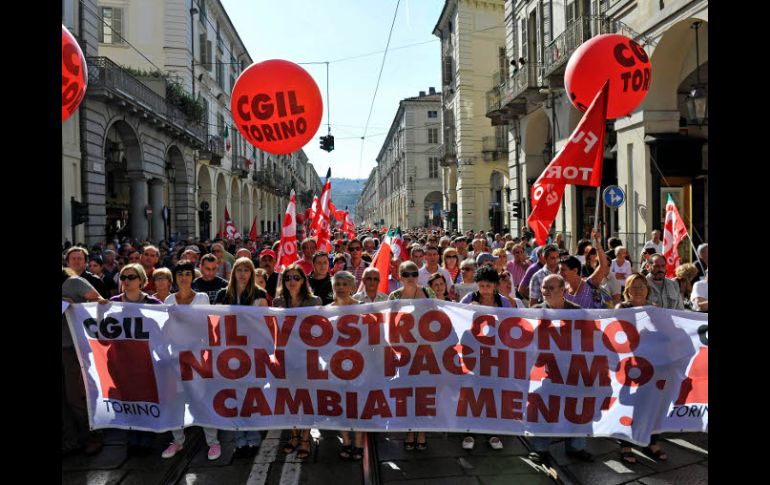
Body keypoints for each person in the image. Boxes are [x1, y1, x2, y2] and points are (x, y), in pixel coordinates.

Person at [529, 274, 592, 464]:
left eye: (550, 288)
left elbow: (589, 341)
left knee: (578, 408)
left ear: (563, 290)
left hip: (574, 370)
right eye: (544, 288)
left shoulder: (578, 312)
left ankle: (576, 446)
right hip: (547, 371)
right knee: (543, 408)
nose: (545, 292)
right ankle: (540, 449)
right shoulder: (535, 311)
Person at [161, 260, 220, 460]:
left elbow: (208, 325)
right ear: (175, 279)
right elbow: (165, 329)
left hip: (196, 356)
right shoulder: (169, 300)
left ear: (192, 277)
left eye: (187, 274)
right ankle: (178, 441)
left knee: (201, 398)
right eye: (180, 275)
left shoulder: (202, 298)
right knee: (175, 400)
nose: (184, 278)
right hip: (175, 357)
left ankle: (213, 442)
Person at [214, 257, 269, 457]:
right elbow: (215, 323)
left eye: (247, 270)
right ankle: (239, 441)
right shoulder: (222, 294)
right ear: (233, 272)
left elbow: (264, 326)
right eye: (239, 270)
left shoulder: (260, 294)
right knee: (234, 397)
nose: (243, 274)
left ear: (252, 272)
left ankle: (253, 439)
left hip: (253, 353)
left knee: (252, 396)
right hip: (229, 354)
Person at [110, 264, 163, 455]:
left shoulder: (154, 304)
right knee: (128, 398)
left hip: (147, 362)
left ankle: (147, 436)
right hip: (123, 362)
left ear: (141, 280)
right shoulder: (113, 303)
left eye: (131, 277)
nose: (126, 281)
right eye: (123, 277)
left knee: (147, 397)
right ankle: (132, 437)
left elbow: (164, 331)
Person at [615, 273, 668, 463]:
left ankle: (651, 442)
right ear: (627, 291)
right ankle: (626, 445)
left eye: (641, 286)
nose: (637, 290)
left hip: (651, 365)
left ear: (648, 289)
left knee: (651, 404)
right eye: (633, 286)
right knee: (627, 406)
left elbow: (664, 333)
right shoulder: (622, 308)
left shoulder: (654, 309)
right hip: (628, 364)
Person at [457, 266, 511, 451]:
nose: (485, 289)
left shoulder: (504, 302)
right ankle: (469, 431)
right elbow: (458, 320)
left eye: (488, 285)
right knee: (471, 392)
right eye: (481, 285)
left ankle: (492, 432)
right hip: (472, 353)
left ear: (495, 285)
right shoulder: (468, 299)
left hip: (496, 354)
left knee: (493, 393)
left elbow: (512, 325)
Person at [274, 264, 322, 460]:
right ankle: (293, 434)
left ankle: (305, 437)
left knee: (306, 398)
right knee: (289, 399)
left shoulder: (314, 300)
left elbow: (320, 330)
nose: (291, 281)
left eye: (296, 278)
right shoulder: (277, 302)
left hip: (307, 356)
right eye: (288, 278)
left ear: (303, 281)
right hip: (285, 357)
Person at [62, 267, 109, 456]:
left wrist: (73, 306)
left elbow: (99, 302)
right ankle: (71, 439)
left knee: (76, 396)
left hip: (72, 348)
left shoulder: (73, 282)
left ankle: (93, 437)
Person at [388, 260, 435, 450]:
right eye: (405, 274)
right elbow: (390, 324)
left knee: (423, 392)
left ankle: (421, 430)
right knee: (407, 392)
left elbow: (436, 318)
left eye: (414, 273)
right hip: (404, 351)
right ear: (399, 276)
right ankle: (409, 429)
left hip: (425, 350)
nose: (410, 278)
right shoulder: (394, 296)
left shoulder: (428, 292)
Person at [326, 271, 366, 460]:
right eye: (337, 284)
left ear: (351, 287)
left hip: (359, 366)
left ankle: (358, 443)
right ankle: (346, 442)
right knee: (340, 404)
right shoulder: (326, 311)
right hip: (336, 366)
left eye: (344, 284)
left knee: (357, 405)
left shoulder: (363, 308)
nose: (340, 287)